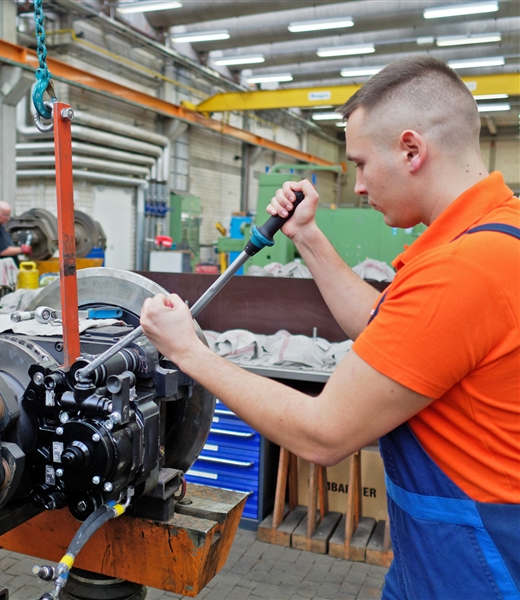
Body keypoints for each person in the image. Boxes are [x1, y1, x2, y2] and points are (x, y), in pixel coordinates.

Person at [140, 56, 519, 599]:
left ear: (412, 150)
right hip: (439, 553)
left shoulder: (461, 271)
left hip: (478, 566)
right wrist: (308, 236)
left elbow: (323, 434)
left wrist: (189, 352)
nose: (359, 186)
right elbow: (380, 328)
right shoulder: (493, 235)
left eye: (361, 164)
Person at [0, 201, 32, 267]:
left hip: (5, 272)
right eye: (6, 215)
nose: (8, 218)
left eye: (9, 215)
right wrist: (22, 249)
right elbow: (2, 251)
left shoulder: (0, 227)